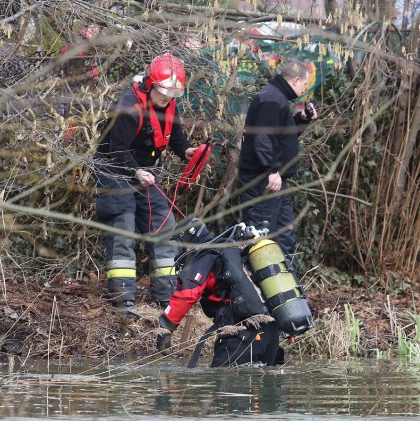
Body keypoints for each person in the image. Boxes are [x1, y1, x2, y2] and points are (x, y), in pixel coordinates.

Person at [93, 53, 198, 318]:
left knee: (163, 228)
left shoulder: (169, 105)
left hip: (146, 173)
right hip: (116, 172)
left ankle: (165, 299)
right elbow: (116, 149)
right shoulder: (128, 108)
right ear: (150, 85)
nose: (167, 98)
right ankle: (123, 302)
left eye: (173, 93)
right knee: (123, 230)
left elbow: (175, 136)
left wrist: (186, 151)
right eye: (163, 92)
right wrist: (136, 171)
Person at [155, 219, 284, 368]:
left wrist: (165, 327)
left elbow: (187, 294)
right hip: (271, 330)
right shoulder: (233, 251)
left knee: (225, 381)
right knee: (263, 384)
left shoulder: (204, 256)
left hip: (242, 329)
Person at [236, 59, 316, 261]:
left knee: (284, 236)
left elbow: (281, 137)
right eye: (304, 84)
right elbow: (263, 140)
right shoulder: (271, 99)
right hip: (262, 180)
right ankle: (252, 287)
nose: (304, 89)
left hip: (275, 181)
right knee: (259, 237)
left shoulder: (277, 98)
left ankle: (284, 285)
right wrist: (271, 170)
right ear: (296, 80)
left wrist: (302, 120)